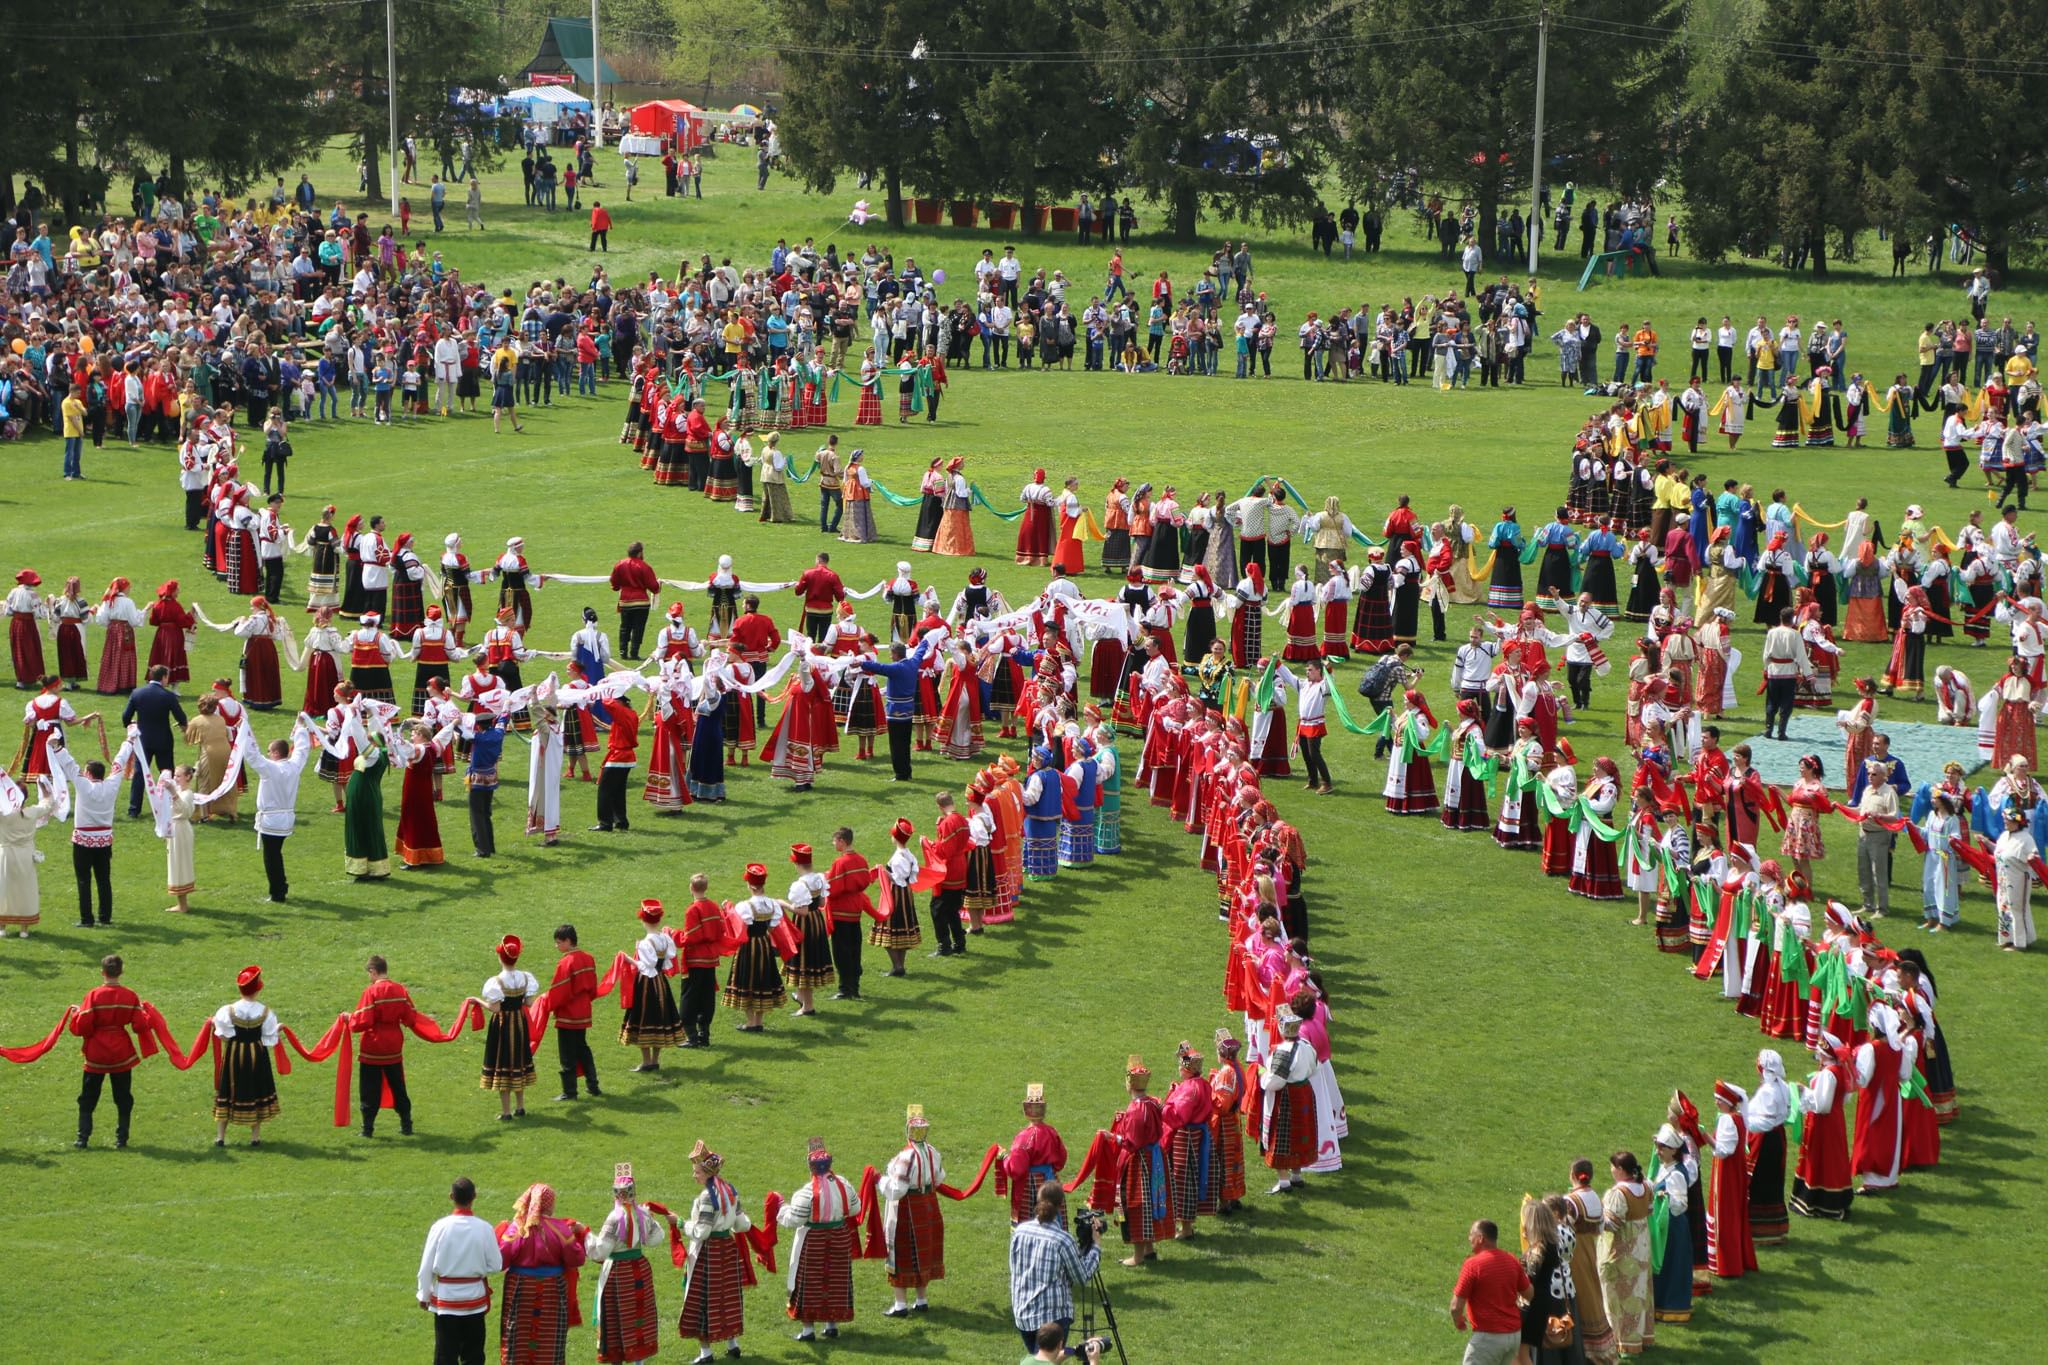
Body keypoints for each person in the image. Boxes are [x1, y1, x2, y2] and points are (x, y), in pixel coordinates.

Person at [494, 1182, 587, 1365]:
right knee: (550, 1338)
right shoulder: (559, 1228)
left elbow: (501, 1259)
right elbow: (577, 1259)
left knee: (517, 1336)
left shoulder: (517, 1228)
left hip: (520, 1290)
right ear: (549, 1203)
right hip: (552, 1290)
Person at [779, 1137, 863, 1341]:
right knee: (835, 1281)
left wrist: (781, 1208)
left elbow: (793, 1220)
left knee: (809, 1283)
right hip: (839, 1237)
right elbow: (856, 1208)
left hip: (814, 1240)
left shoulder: (805, 1193)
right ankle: (831, 1325)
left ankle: (808, 1330)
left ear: (811, 1167)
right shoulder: (844, 1185)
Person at [1008, 1185, 1102, 1357]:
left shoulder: (1020, 1231)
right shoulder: (1062, 1240)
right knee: (1046, 1362)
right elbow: (1082, 1276)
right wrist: (1095, 1246)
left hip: (1023, 1314)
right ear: (1060, 1206)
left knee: (1039, 1361)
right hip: (1052, 1318)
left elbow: (1014, 1269)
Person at [677, 1141, 750, 1363]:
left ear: (708, 1173)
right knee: (727, 1297)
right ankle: (732, 1344)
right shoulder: (730, 1190)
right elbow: (743, 1224)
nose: (694, 1175)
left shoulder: (707, 1197)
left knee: (703, 1300)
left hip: (709, 1254)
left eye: (697, 1171)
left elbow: (702, 1232)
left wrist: (681, 1223)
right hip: (728, 1250)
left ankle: (706, 1353)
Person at [419, 1176, 503, 1365]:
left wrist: (424, 1295)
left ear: (451, 1196)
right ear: (474, 1196)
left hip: (446, 1300)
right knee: (473, 1356)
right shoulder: (485, 1228)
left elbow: (426, 1265)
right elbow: (496, 1265)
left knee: (445, 1355)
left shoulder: (439, 1227)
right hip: (475, 1300)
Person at [587, 1164, 665, 1364]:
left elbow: (601, 1251)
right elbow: (656, 1239)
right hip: (639, 1268)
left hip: (618, 1272)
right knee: (639, 1313)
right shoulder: (644, 1214)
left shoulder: (613, 1218)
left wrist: (586, 1237)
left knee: (615, 1316)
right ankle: (639, 1360)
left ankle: (617, 1358)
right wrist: (653, 1221)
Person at [879, 1103, 947, 1316]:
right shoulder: (932, 1152)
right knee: (923, 1252)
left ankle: (900, 1305)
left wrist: (879, 1181)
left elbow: (897, 1189)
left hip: (907, 1208)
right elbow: (939, 1178)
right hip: (928, 1203)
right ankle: (921, 1299)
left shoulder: (906, 1157)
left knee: (901, 1253)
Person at [71, 954, 143, 1149]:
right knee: (123, 1095)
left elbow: (83, 1027)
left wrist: (76, 1015)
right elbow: (139, 1025)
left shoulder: (93, 995)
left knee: (88, 1095)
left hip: (96, 1051)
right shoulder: (130, 995)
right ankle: (122, 1139)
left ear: (102, 972)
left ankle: (82, 1138)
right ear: (121, 972)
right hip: (122, 1052)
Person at [211, 964, 281, 1146]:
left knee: (228, 1090)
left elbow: (224, 1036)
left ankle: (220, 1137)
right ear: (257, 989)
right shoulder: (265, 1012)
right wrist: (277, 1031)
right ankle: (255, 1137)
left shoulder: (227, 1011)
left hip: (235, 1054)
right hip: (257, 1055)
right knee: (256, 1090)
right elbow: (269, 1039)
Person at [352, 954, 418, 1139]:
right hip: (394, 1046)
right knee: (398, 1085)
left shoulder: (371, 992)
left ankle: (368, 1129)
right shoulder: (400, 990)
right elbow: (410, 1018)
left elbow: (362, 1022)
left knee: (369, 1088)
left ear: (373, 971)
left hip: (373, 1046)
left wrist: (350, 1020)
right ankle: (406, 1124)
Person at [1450, 1218, 1531, 1365]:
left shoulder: (1473, 1265)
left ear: (1480, 1238)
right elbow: (1529, 1293)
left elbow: (1455, 1307)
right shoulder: (1511, 1260)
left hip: (1489, 1338)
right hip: (1513, 1337)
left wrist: (1458, 1321)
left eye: (1471, 1234)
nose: (1469, 1238)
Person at [480, 934, 538, 1121]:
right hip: (519, 1024)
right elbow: (529, 1002)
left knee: (504, 1063)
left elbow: (495, 1008)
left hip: (503, 1025)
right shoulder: (525, 978)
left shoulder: (496, 982)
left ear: (500, 957)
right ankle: (520, 1107)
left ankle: (506, 1112)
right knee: (519, 1062)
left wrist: (478, 1002)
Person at [621, 898, 685, 1068]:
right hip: (661, 982)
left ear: (642, 919)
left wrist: (630, 960)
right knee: (660, 1018)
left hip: (647, 984)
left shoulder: (644, 943)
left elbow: (646, 965)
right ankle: (655, 1060)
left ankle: (646, 1061)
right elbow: (669, 957)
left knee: (643, 1019)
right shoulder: (664, 938)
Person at [121, 664, 186, 817]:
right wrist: (183, 724)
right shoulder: (168, 696)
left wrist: (132, 724)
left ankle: (133, 809)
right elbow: (181, 717)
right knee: (167, 772)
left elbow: (125, 717)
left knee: (140, 774)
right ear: (164, 677)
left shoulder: (137, 693)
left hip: (143, 740)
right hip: (163, 739)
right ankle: (170, 805)